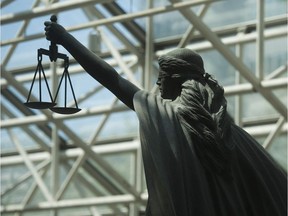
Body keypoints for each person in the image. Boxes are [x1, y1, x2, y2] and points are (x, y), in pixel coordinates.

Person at [44, 20, 287, 216]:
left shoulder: (169, 117)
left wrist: (66, 39)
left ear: (179, 78)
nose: (158, 83)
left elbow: (113, 79)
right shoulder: (235, 138)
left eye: (163, 76)